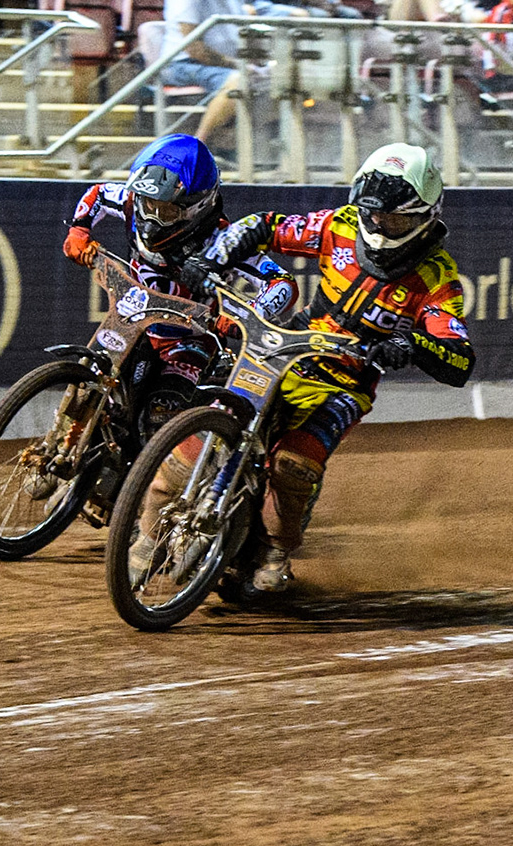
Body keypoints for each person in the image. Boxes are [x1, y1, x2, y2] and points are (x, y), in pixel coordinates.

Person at [186, 142, 475, 592]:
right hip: (291, 347)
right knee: (203, 422)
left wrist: (412, 344)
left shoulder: (439, 279)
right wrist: (213, 258)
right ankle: (147, 531)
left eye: (394, 217)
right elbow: (266, 226)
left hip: (348, 379)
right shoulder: (338, 224)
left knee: (292, 464)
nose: (378, 223)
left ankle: (276, 550)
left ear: (424, 217)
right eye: (372, 211)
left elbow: (459, 356)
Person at [62, 133, 296, 431]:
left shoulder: (223, 240)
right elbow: (96, 194)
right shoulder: (133, 201)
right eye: (149, 204)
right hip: (134, 319)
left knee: (160, 415)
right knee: (92, 383)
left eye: (168, 211)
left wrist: (247, 316)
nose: (152, 220)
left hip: (189, 338)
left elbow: (282, 282)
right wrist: (79, 230)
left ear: (197, 206)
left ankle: (158, 468)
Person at [162, 0, 253, 144]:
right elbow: (193, 48)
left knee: (279, 78)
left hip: (227, 63)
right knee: (238, 81)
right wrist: (235, 64)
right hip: (182, 64)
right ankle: (199, 145)